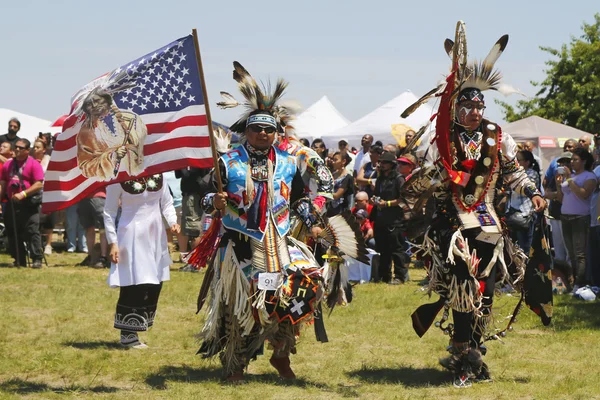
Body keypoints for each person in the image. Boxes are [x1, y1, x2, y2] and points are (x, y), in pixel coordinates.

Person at [197, 62, 355, 382]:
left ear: (276, 132)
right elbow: (205, 199)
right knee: (241, 305)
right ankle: (236, 362)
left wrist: (312, 222)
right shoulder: (227, 162)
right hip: (240, 242)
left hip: (279, 239)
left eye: (270, 129)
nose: (263, 134)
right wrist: (214, 203)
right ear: (247, 131)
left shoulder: (286, 162)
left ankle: (281, 353)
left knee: (301, 286)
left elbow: (298, 198)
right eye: (257, 129)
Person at [406, 29, 546, 386]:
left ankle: (471, 351)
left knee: (484, 290)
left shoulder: (497, 136)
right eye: (467, 106)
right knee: (462, 285)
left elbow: (514, 171)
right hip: (451, 224)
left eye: (479, 106)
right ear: (455, 106)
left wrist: (532, 191)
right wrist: (438, 176)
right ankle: (464, 353)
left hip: (487, 223)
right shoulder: (442, 137)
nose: (474, 111)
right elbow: (422, 180)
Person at [104, 173, 180, 348]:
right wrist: (112, 242)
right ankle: (128, 333)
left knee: (154, 282)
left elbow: (167, 203)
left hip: (155, 235)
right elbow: (109, 212)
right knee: (134, 281)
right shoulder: (118, 178)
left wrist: (172, 221)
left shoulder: (159, 176)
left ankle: (139, 324)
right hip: (130, 234)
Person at [76, 89, 147, 181]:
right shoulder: (86, 132)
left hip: (143, 175)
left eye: (97, 100)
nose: (94, 105)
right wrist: (112, 156)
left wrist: (135, 150)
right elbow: (86, 167)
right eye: (89, 104)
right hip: (113, 183)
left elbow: (148, 144)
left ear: (107, 100)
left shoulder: (132, 118)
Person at [556, 147, 596, 290]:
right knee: (571, 253)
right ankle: (573, 282)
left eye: (575, 159)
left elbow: (583, 194)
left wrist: (569, 179)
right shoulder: (570, 177)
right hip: (565, 216)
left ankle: (580, 283)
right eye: (571, 159)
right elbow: (561, 198)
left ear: (584, 161)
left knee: (580, 254)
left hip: (580, 218)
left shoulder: (589, 176)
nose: (572, 162)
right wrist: (558, 183)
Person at [0, 139, 44, 268]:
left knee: (31, 231)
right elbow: (3, 183)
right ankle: (19, 259)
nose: (17, 149)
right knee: (12, 231)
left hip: (28, 202)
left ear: (27, 150)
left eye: (21, 148)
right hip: (12, 203)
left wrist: (23, 193)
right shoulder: (8, 165)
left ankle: (36, 259)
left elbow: (39, 184)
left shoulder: (34, 164)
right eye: (16, 147)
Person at [370, 151, 408, 284]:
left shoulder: (399, 179)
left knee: (396, 249)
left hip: (394, 219)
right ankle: (384, 276)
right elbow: (376, 194)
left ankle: (400, 276)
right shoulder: (380, 179)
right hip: (380, 218)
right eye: (380, 162)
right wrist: (373, 200)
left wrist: (387, 204)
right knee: (382, 248)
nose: (381, 165)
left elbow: (403, 198)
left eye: (384, 162)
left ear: (392, 165)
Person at [506, 150, 541, 254]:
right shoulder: (511, 175)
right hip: (512, 213)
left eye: (518, 160)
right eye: (514, 159)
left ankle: (525, 269)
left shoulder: (532, 174)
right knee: (512, 247)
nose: (515, 162)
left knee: (524, 247)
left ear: (527, 162)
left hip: (524, 215)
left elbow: (522, 189)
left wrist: (511, 185)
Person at [32, 138, 54, 255]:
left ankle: (48, 245)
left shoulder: (49, 160)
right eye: (34, 147)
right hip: (34, 192)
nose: (35, 149)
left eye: (38, 147)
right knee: (36, 219)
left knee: (47, 219)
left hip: (47, 192)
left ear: (44, 149)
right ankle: (37, 243)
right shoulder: (30, 160)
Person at [78, 188, 109, 268]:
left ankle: (103, 257)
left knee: (103, 229)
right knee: (89, 228)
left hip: (100, 196)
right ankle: (90, 257)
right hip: (84, 197)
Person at [327, 151, 354, 217]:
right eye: (333, 160)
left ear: (343, 161)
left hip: (342, 212)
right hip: (331, 209)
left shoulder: (347, 178)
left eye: (335, 160)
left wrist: (323, 192)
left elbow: (336, 196)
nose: (333, 162)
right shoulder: (333, 175)